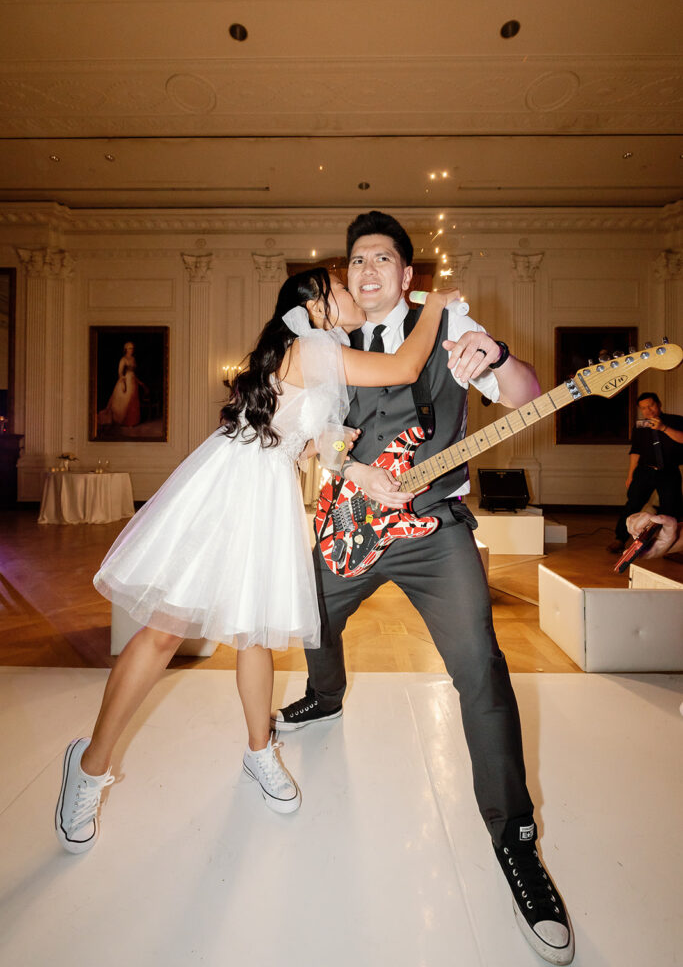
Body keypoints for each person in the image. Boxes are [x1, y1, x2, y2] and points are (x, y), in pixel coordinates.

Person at [55, 267, 458, 851]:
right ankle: (89, 766)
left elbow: (319, 443)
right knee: (165, 630)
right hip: (231, 487)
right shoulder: (310, 346)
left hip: (268, 490)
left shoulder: (321, 353)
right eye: (342, 289)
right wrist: (439, 304)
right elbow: (406, 367)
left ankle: (258, 751)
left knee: (256, 636)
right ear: (317, 305)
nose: (352, 295)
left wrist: (360, 472)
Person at [273, 212, 575, 965]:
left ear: (408, 276)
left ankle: (517, 845)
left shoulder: (452, 326)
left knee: (479, 669)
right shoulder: (325, 338)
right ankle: (328, 690)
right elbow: (313, 433)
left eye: (383, 258)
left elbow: (525, 393)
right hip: (349, 526)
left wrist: (499, 357)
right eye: (356, 261)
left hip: (433, 529)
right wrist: (350, 470)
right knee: (309, 616)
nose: (367, 269)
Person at [607, 392, 683, 553]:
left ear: (659, 404)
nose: (648, 411)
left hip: (669, 471)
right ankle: (619, 538)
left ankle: (667, 545)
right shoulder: (640, 425)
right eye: (644, 408)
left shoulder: (675, 421)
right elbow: (636, 451)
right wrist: (630, 475)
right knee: (632, 504)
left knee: (671, 508)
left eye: (651, 406)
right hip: (644, 471)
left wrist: (664, 428)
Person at [98, 341, 148, 428]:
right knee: (126, 401)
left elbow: (133, 373)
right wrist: (123, 384)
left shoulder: (133, 359)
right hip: (126, 381)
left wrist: (140, 382)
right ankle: (124, 421)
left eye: (132, 348)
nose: (131, 350)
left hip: (133, 382)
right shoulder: (123, 359)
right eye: (129, 348)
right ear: (125, 349)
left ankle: (132, 422)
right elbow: (120, 373)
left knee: (133, 400)